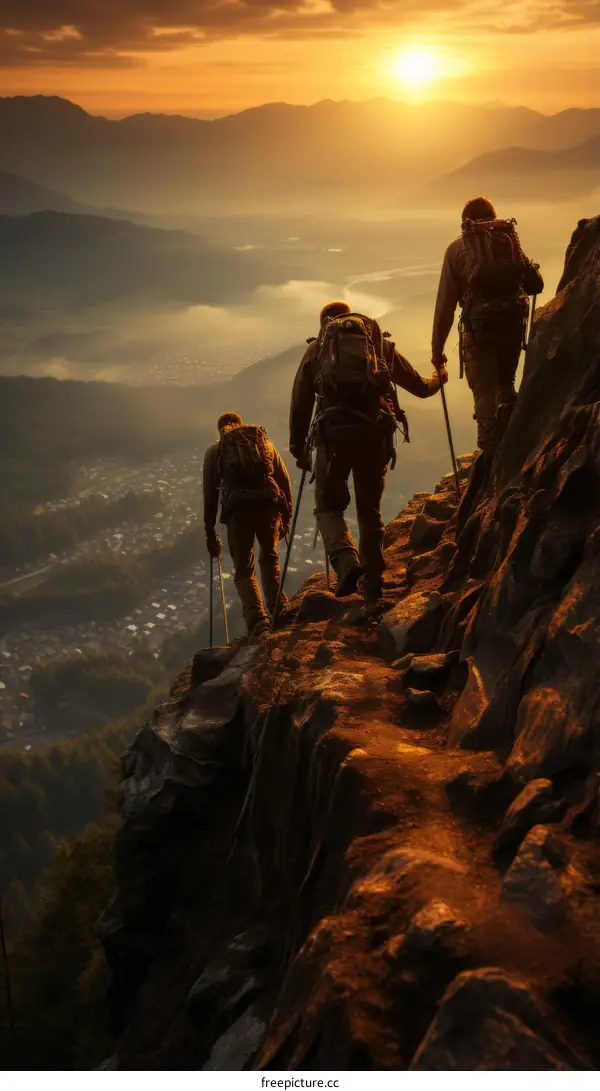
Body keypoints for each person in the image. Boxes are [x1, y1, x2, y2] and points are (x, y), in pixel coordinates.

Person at [289, 301, 447, 610]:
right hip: (374, 435)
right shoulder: (378, 345)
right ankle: (373, 588)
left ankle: (347, 564)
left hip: (332, 440)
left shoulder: (316, 351)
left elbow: (300, 406)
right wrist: (439, 376)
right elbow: (419, 386)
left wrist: (299, 451)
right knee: (369, 511)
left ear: (325, 325)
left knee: (329, 509)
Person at [431, 196, 544, 457]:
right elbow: (535, 285)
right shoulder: (509, 241)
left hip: (478, 328)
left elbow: (445, 306)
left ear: (465, 222)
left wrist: (438, 350)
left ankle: (491, 454)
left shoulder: (456, 249)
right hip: (513, 322)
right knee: (505, 381)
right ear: (493, 217)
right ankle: (509, 414)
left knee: (483, 392)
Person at [203, 411, 292, 638]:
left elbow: (210, 496)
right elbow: (284, 479)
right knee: (269, 558)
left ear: (221, 430)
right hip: (268, 506)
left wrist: (210, 532)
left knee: (244, 569)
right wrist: (287, 515)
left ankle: (258, 621)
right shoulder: (264, 443)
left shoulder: (215, 451)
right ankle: (279, 609)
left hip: (238, 511)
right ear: (241, 426)